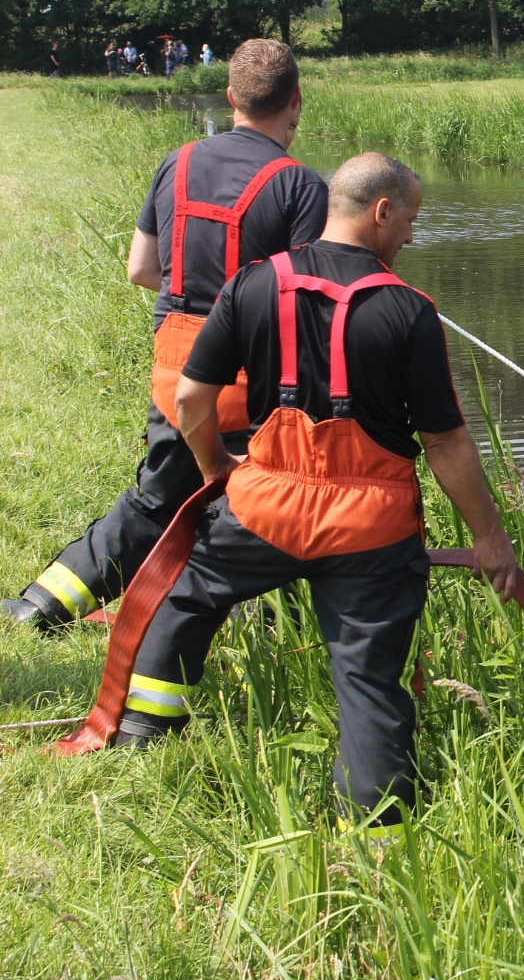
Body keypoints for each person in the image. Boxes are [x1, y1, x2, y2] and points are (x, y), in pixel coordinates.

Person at [123, 152, 519, 834]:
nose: (411, 238)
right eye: (411, 221)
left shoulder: (252, 283)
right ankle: (378, 824)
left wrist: (217, 465)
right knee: (367, 675)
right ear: (380, 211)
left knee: (186, 599)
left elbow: (190, 397)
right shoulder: (409, 309)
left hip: (262, 508)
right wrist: (489, 536)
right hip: (371, 527)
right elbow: (446, 444)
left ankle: (141, 738)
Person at [4, 40, 328, 632]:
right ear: (296, 99)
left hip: (175, 361)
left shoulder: (176, 163)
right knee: (260, 507)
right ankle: (254, 622)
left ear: (231, 97)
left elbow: (140, 270)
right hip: (251, 374)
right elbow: (306, 302)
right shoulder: (300, 185)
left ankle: (40, 605)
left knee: (158, 497)